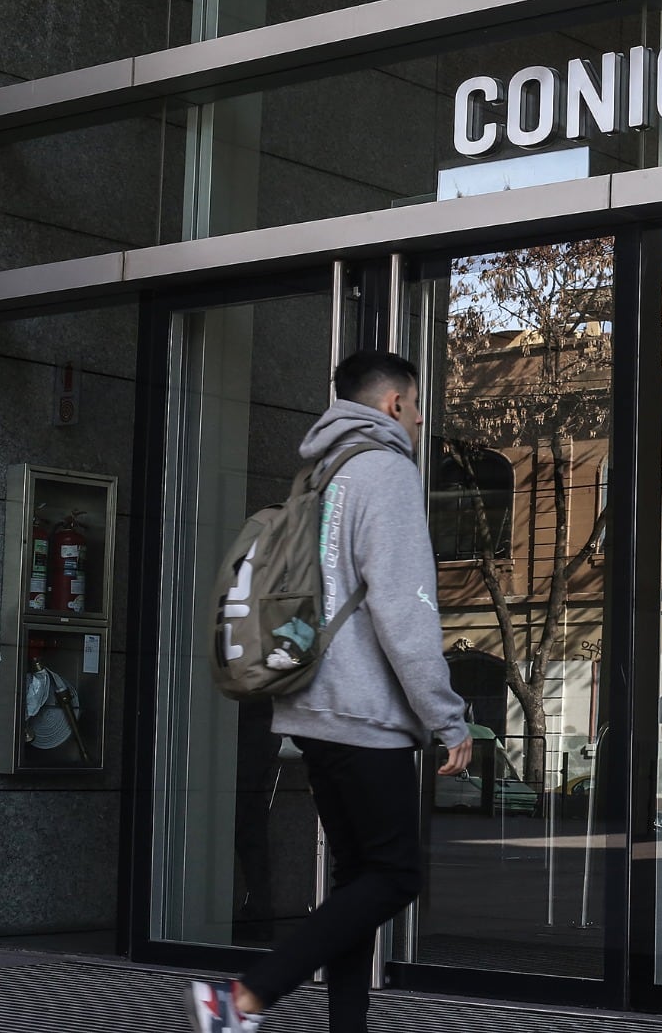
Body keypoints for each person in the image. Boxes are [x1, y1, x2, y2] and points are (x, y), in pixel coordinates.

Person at [185, 350, 473, 1033]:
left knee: (358, 878)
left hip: (310, 705)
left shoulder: (321, 473)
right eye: (417, 405)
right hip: (363, 712)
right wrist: (448, 717)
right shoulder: (387, 472)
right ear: (394, 404)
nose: (421, 420)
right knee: (395, 877)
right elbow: (404, 611)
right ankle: (244, 998)